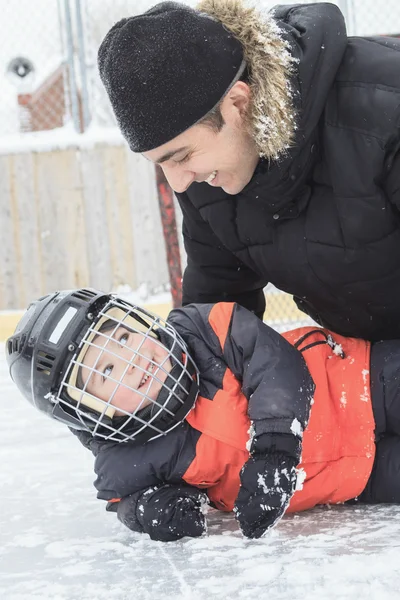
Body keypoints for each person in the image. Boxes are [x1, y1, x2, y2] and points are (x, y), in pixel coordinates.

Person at [97, 0, 400, 341]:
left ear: (238, 104)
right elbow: (216, 313)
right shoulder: (209, 177)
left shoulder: (385, 110)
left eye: (180, 156)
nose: (177, 183)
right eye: (160, 163)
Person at [6, 288, 400, 541]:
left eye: (123, 337)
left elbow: (275, 363)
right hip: (357, 477)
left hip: (361, 380)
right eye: (105, 372)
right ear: (90, 411)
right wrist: (157, 510)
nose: (131, 361)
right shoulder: (125, 459)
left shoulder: (199, 330)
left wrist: (275, 449)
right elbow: (125, 500)